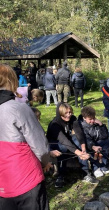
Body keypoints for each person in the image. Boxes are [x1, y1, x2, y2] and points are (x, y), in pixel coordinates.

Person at [0, 64, 51, 210]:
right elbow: (40, 146)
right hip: (26, 179)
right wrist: (45, 162)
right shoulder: (18, 108)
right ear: (12, 82)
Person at [46, 102, 98, 187]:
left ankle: (85, 173)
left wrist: (83, 148)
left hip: (67, 140)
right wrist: (79, 153)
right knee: (63, 147)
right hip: (54, 143)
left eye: (70, 112)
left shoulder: (73, 118)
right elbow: (64, 141)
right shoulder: (54, 124)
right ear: (60, 113)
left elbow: (79, 133)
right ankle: (61, 175)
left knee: (78, 141)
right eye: (66, 113)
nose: (69, 115)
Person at [80, 106, 109, 178]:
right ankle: (96, 168)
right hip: (89, 145)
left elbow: (105, 135)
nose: (92, 121)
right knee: (94, 151)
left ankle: (102, 164)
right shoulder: (83, 127)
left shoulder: (96, 124)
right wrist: (93, 146)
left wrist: (101, 125)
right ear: (84, 118)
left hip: (98, 142)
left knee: (105, 142)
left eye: (93, 118)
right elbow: (86, 139)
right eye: (90, 119)